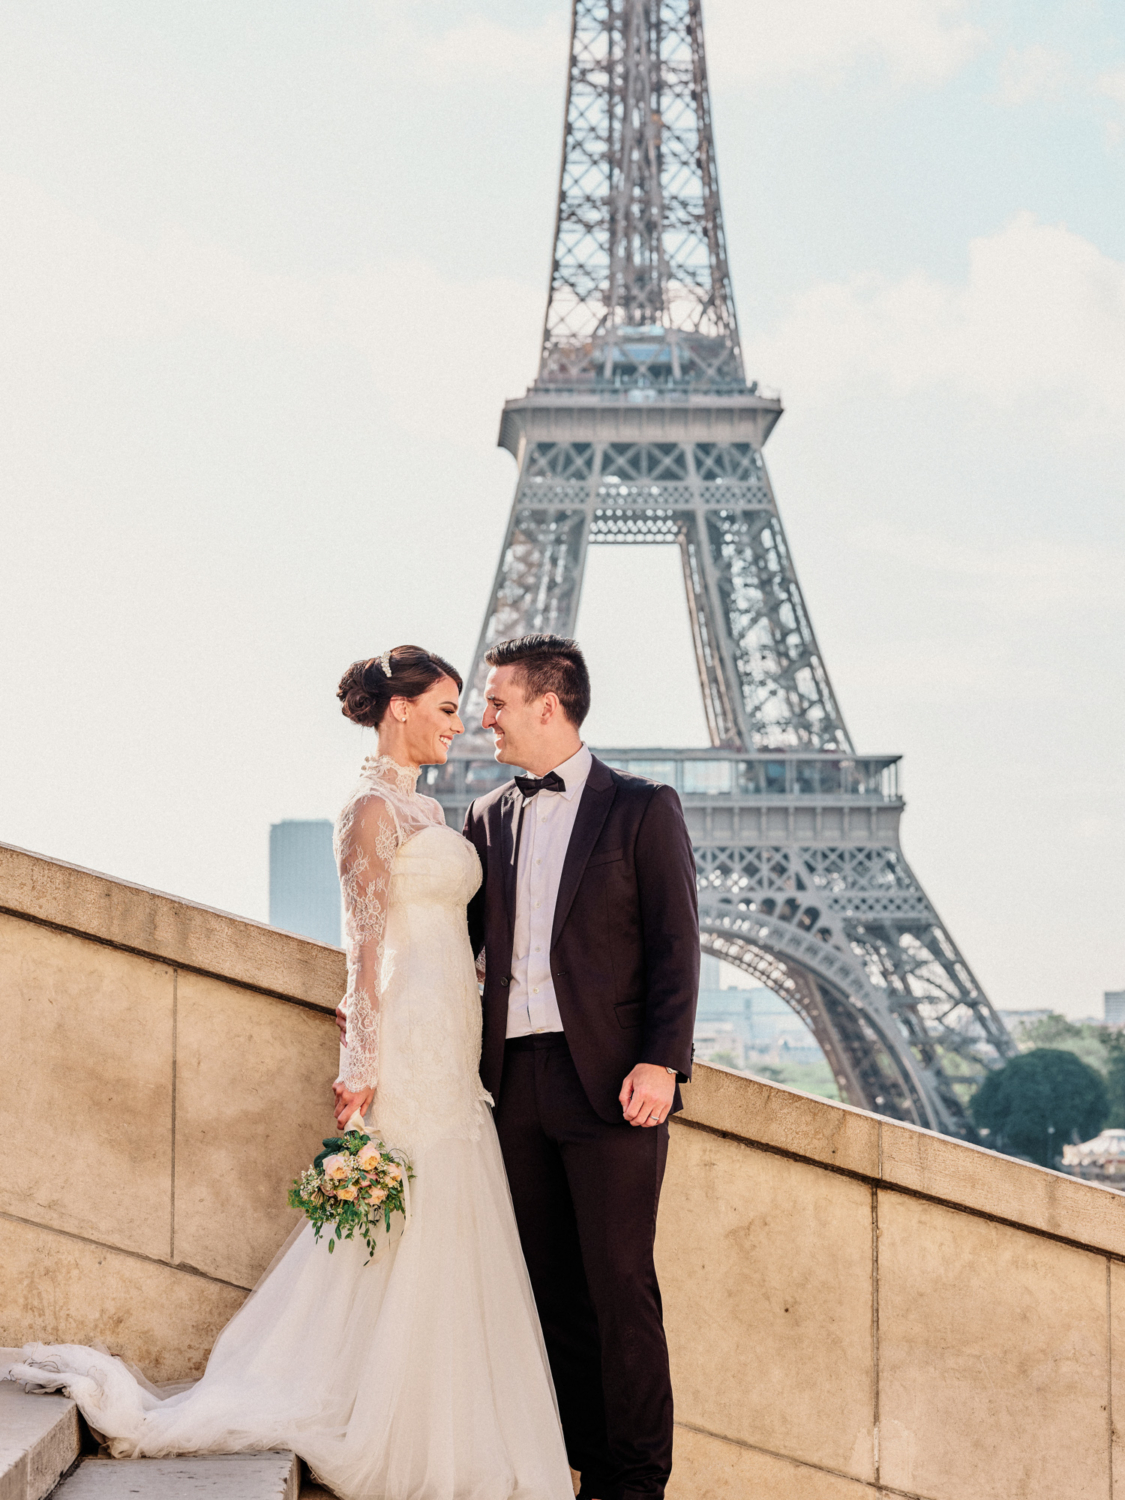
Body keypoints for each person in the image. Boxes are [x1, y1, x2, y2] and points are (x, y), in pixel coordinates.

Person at [2, 646, 575, 1500]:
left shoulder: (430, 812)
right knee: (414, 1218)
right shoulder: (369, 811)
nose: (460, 724)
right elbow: (365, 953)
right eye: (447, 707)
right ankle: (412, 1423)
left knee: (446, 1215)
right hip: (410, 1037)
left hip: (454, 1034)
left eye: (465, 708)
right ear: (399, 710)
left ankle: (445, 1416)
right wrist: (361, 1067)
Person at [462, 634, 700, 1500]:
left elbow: (676, 946)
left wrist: (661, 1064)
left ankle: (636, 1482)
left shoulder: (640, 808)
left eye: (497, 702)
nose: (482, 716)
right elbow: (463, 951)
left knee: (620, 1283)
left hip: (609, 1082)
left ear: (548, 705)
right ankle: (583, 1464)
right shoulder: (488, 815)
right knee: (549, 1290)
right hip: (514, 1080)